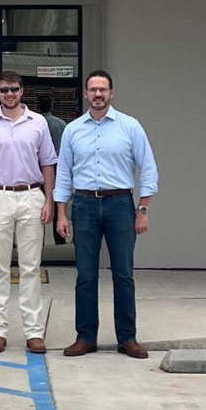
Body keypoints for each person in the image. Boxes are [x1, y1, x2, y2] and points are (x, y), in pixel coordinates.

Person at [54, 70, 158, 360]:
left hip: (120, 206)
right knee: (85, 276)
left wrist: (143, 210)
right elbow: (63, 174)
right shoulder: (73, 130)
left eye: (103, 89)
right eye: (93, 90)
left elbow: (148, 168)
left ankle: (128, 338)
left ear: (112, 93)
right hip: (84, 205)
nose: (98, 94)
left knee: (123, 274)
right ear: (86, 94)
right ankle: (85, 337)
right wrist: (61, 213)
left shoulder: (130, 126)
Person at [0, 71, 57, 355]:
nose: (9, 94)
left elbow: (48, 165)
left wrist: (49, 202)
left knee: (31, 267)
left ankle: (33, 332)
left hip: (31, 195)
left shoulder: (38, 123)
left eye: (14, 89)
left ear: (22, 91)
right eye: (4, 89)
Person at [37, 96, 67, 245]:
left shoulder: (34, 123)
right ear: (52, 105)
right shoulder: (60, 124)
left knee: (38, 205)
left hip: (37, 167)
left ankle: (38, 240)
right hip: (57, 166)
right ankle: (59, 239)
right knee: (56, 202)